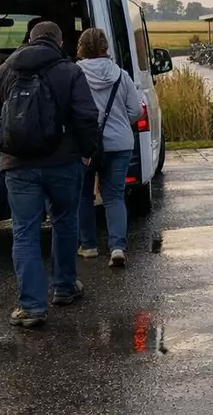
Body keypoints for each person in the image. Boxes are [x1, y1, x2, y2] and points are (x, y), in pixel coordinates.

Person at [0, 21, 98, 328]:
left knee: (25, 231)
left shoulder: (4, 71)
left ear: (30, 38)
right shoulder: (70, 71)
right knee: (65, 222)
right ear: (60, 40)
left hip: (17, 165)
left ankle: (31, 306)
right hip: (63, 163)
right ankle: (64, 288)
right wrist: (87, 151)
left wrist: (4, 147)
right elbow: (86, 115)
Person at [76, 28, 141, 268]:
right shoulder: (121, 75)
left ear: (81, 47)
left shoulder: (75, 73)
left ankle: (89, 245)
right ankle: (117, 247)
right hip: (120, 144)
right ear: (106, 46)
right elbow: (135, 111)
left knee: (83, 196)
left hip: (85, 145)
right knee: (114, 196)